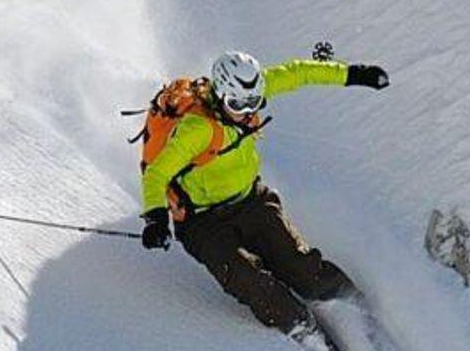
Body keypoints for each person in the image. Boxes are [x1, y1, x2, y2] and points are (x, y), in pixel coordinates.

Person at [139, 50, 389, 334]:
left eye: (254, 103)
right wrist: (156, 218)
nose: (248, 112)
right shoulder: (197, 130)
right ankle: (300, 327)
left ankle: (356, 307)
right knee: (253, 282)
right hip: (204, 223)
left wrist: (354, 74)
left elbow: (299, 72)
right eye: (237, 104)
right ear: (220, 96)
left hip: (252, 202)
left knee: (305, 272)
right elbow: (156, 174)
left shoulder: (250, 90)